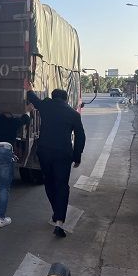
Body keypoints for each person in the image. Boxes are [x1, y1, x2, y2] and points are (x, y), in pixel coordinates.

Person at [24, 80, 85, 238]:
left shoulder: (46, 105)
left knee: (49, 183)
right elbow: (80, 137)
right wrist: (77, 156)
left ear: (53, 97)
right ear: (66, 99)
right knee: (62, 186)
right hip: (63, 155)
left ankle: (56, 212)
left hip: (45, 153)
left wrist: (29, 89)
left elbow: (34, 99)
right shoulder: (73, 114)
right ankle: (59, 221)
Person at [0, 104, 33, 228]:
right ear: (11, 117)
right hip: (5, 150)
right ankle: (1, 219)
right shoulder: (14, 122)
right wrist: (27, 111)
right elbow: (26, 120)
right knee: (4, 186)